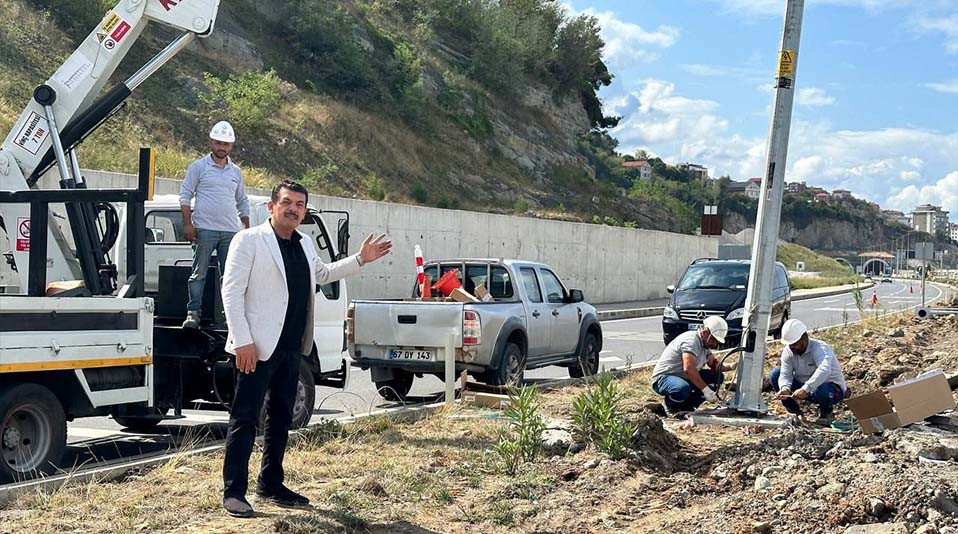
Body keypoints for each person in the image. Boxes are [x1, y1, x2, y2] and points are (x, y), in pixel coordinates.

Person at [219, 179, 391, 517]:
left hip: (292, 348)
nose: (293, 209)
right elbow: (232, 291)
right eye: (287, 202)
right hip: (255, 348)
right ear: (272, 206)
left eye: (299, 204)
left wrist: (360, 258)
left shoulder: (305, 243)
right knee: (244, 418)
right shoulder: (249, 241)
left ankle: (271, 483)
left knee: (281, 418)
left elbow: (323, 273)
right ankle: (234, 491)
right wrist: (243, 341)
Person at [179, 120, 250, 328]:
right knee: (198, 273)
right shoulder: (198, 167)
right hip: (204, 229)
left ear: (231, 146)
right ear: (211, 142)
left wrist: (246, 227)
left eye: (226, 144)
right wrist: (187, 223)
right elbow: (185, 195)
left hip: (230, 232)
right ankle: (193, 313)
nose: (222, 148)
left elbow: (242, 201)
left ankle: (230, 316)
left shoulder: (235, 172)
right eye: (219, 143)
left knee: (230, 275)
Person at [651, 316, 736, 417]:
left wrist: (732, 366)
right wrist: (706, 391)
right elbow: (689, 369)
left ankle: (687, 407)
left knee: (717, 377)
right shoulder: (691, 341)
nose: (714, 343)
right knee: (681, 389)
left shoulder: (704, 345)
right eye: (713, 339)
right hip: (665, 377)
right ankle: (671, 406)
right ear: (705, 332)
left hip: (684, 377)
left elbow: (714, 365)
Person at [769, 319, 847, 421]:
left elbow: (824, 370)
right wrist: (785, 388)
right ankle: (795, 412)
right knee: (775, 374)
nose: (792, 347)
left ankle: (826, 414)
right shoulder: (788, 352)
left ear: (805, 338)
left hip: (830, 390)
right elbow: (785, 374)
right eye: (790, 344)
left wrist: (806, 388)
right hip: (806, 389)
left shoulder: (819, 348)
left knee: (821, 388)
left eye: (795, 344)